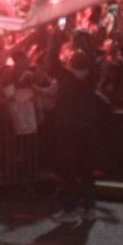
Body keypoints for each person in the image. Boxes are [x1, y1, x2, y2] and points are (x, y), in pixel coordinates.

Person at [50, 50, 102, 222]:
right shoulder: (91, 78)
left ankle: (70, 209)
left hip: (68, 128)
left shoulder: (65, 78)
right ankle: (90, 207)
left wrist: (54, 37)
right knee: (87, 169)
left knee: (69, 170)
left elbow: (52, 59)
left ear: (70, 63)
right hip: (88, 129)